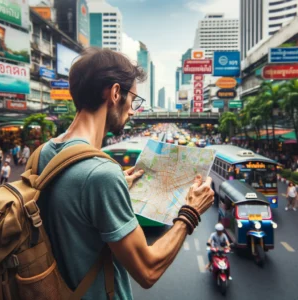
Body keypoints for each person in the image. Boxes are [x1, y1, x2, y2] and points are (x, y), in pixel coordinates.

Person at [36, 48, 215, 300]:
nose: (133, 110)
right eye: (134, 100)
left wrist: (119, 181)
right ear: (115, 93)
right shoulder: (101, 175)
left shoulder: (45, 151)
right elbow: (148, 270)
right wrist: (191, 212)